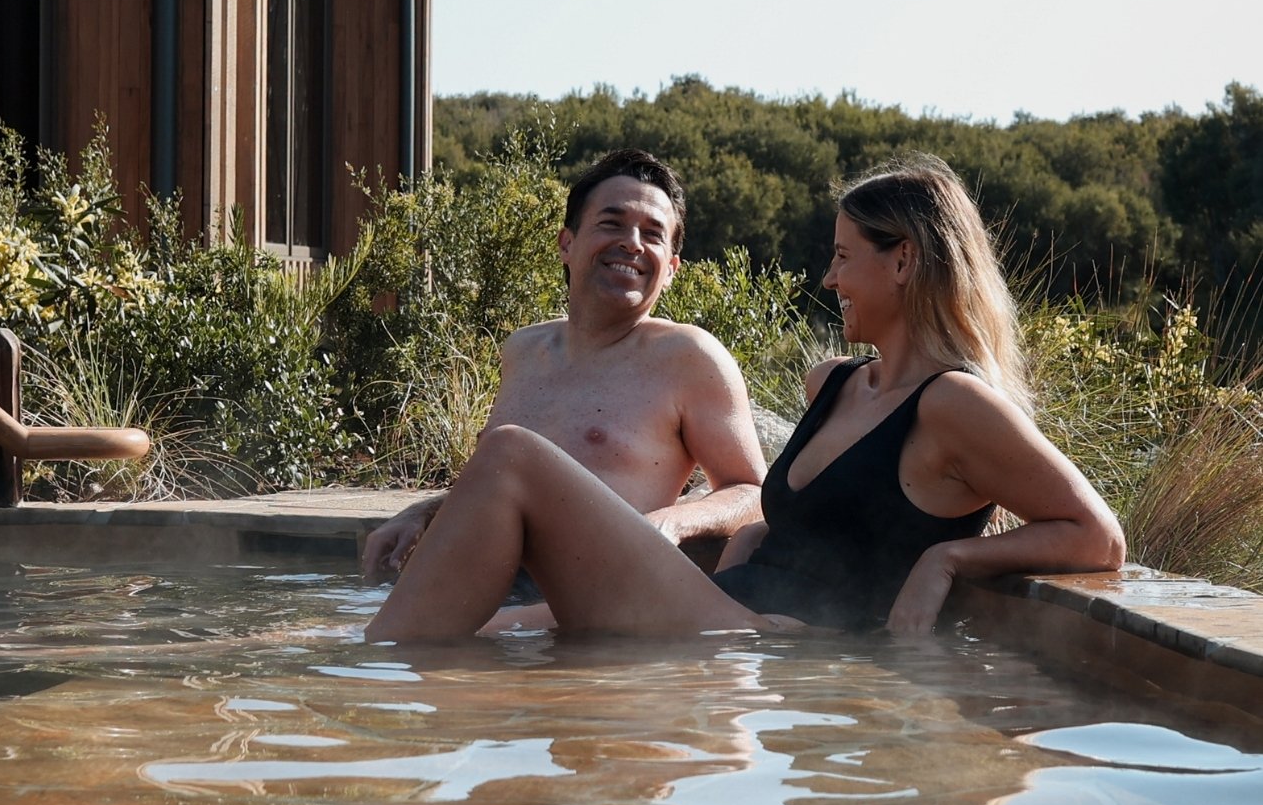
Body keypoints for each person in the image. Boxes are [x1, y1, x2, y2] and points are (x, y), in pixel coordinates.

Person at [365, 153, 1124, 644]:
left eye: (841, 257)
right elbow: (775, 515)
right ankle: (373, 689)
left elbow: (1097, 536)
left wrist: (946, 559)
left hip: (765, 633)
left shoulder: (953, 403)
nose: (829, 280)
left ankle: (371, 703)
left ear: (903, 264)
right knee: (483, 632)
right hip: (726, 606)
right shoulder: (833, 384)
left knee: (509, 457)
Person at [361, 149, 766, 599]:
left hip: (582, 597)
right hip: (478, 581)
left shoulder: (689, 356)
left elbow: (750, 490)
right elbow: (505, 488)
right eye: (612, 223)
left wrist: (668, 523)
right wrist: (420, 513)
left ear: (671, 269)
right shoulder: (524, 349)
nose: (632, 242)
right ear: (566, 244)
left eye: (652, 234)